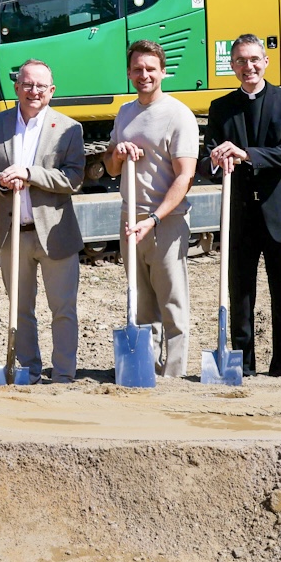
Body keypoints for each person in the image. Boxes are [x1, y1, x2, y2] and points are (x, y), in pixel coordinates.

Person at [0, 59, 87, 382]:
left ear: (51, 91)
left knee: (62, 309)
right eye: (27, 84)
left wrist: (30, 174)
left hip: (54, 234)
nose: (33, 91)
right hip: (11, 234)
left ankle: (63, 375)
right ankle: (28, 371)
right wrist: (2, 181)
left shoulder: (68, 129)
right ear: (17, 87)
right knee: (20, 309)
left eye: (40, 86)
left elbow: (74, 178)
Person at [203, 34, 281, 377]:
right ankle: (243, 365)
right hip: (240, 215)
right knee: (240, 294)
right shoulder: (221, 108)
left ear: (266, 61)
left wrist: (247, 154)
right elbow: (210, 158)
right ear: (232, 66)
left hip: (280, 211)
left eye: (253, 60)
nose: (247, 67)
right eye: (240, 61)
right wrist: (217, 158)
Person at [105, 39, 200, 377]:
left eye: (150, 69)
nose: (144, 74)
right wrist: (117, 154)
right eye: (137, 69)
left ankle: (173, 374)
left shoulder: (178, 115)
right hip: (130, 218)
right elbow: (112, 168)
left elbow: (185, 176)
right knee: (140, 300)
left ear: (163, 71)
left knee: (171, 302)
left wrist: (156, 218)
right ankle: (144, 369)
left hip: (166, 222)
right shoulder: (126, 112)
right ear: (129, 73)